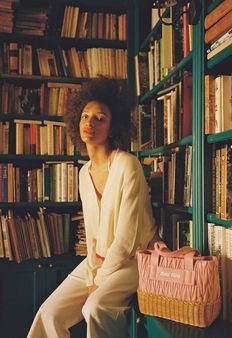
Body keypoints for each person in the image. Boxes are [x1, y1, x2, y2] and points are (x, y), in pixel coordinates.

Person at [27, 77, 157, 338]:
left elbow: (126, 238)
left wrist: (97, 283)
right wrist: (91, 277)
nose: (90, 123)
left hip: (134, 260)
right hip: (97, 260)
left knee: (94, 307)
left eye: (100, 118)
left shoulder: (127, 165)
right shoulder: (84, 173)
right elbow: (94, 236)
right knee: (49, 312)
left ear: (113, 126)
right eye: (85, 116)